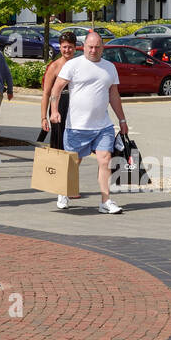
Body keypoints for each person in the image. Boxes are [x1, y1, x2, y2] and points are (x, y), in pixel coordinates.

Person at [49, 31, 127, 214]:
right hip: (77, 126)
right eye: (90, 47)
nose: (93, 50)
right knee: (74, 163)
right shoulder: (73, 65)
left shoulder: (109, 68)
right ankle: (63, 192)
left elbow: (114, 95)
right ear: (83, 47)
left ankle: (105, 201)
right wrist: (53, 111)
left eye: (97, 47)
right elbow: (56, 87)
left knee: (105, 160)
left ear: (103, 48)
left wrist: (122, 119)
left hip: (103, 126)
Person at [39, 31, 78, 150]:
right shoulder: (54, 67)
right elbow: (46, 94)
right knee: (59, 144)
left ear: (75, 48)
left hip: (76, 107)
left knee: (75, 144)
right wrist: (43, 118)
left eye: (70, 47)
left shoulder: (80, 64)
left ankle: (72, 168)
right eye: (64, 47)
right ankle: (58, 168)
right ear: (60, 47)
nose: (67, 50)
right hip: (59, 107)